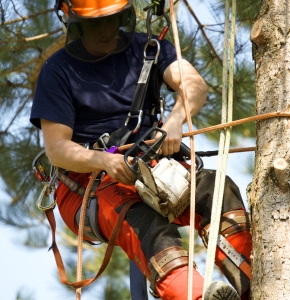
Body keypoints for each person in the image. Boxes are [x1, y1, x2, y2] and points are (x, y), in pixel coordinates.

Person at [30, 1, 252, 299]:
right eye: (97, 23)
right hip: (88, 185)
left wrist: (175, 122)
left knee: (216, 189)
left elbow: (193, 84)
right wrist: (104, 161)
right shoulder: (57, 71)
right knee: (145, 224)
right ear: (75, 23)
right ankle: (195, 296)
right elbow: (57, 149)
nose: (108, 30)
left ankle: (252, 280)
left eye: (114, 19)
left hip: (150, 164)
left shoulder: (147, 48)